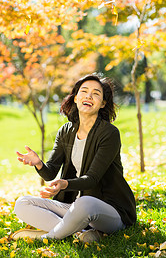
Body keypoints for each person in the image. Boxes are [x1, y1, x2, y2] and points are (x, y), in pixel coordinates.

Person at [13, 74, 137, 242]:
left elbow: (92, 179)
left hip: (109, 210)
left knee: (84, 203)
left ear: (103, 104)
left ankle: (48, 237)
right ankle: (79, 234)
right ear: (76, 98)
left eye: (96, 93)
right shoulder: (66, 131)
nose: (88, 96)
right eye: (84, 91)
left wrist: (65, 184)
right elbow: (50, 173)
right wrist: (39, 164)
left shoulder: (109, 133)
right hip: (74, 208)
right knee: (22, 203)